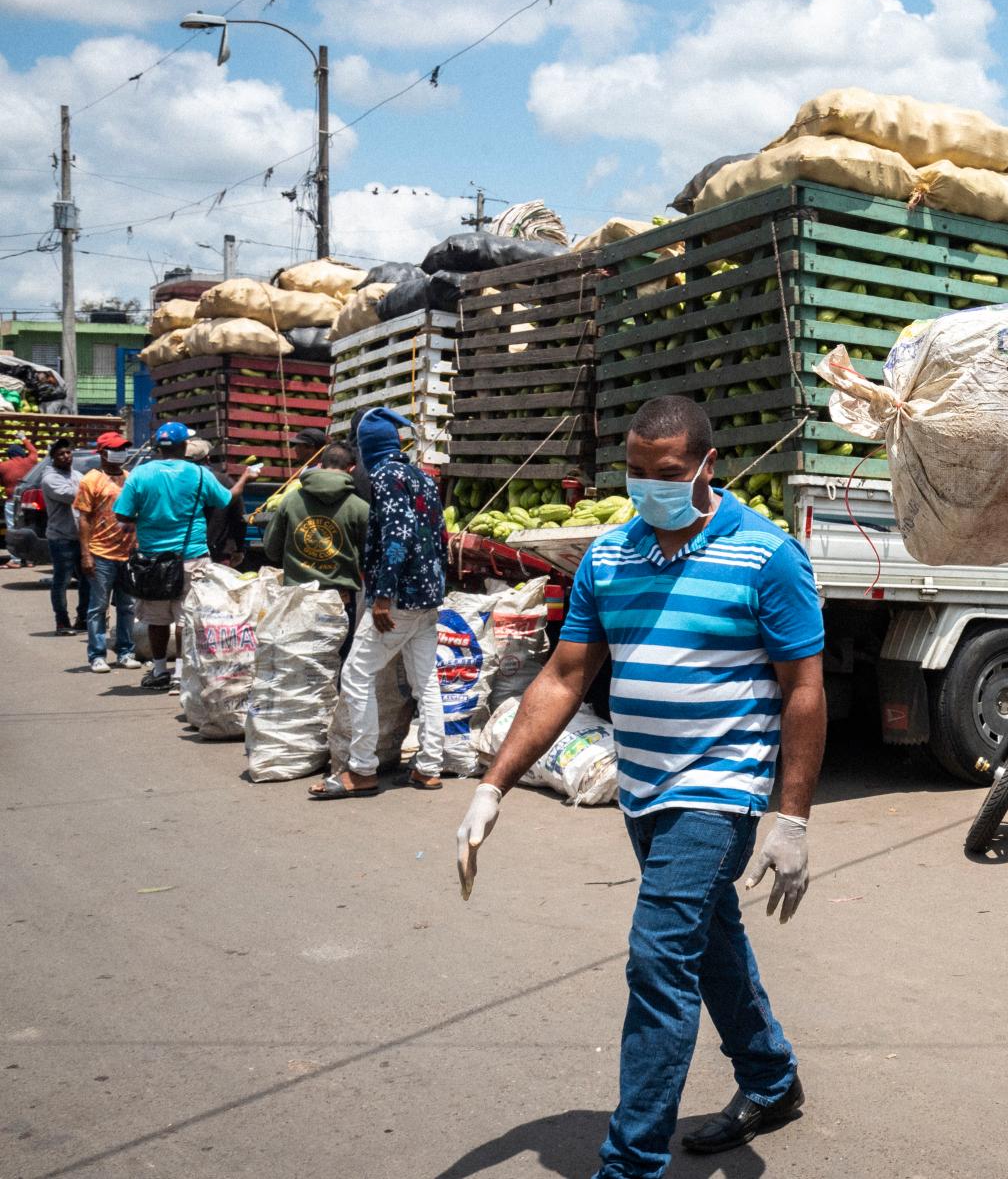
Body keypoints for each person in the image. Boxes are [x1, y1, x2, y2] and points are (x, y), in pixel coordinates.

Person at [457, 395, 827, 1179]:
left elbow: (803, 689)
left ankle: (631, 1163)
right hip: (644, 787)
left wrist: (790, 816)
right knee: (709, 936)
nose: (647, 487)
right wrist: (493, 784)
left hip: (719, 791)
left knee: (659, 957)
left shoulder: (768, 556)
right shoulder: (609, 557)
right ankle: (771, 1076)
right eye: (634, 471)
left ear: (705, 466)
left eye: (665, 474)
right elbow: (564, 676)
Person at [313, 407, 447, 800]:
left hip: (400, 599)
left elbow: (398, 534)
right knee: (427, 682)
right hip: (426, 598)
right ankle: (428, 767)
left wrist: (384, 595)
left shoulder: (385, 477)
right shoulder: (420, 476)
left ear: (366, 449)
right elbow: (438, 536)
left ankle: (362, 769)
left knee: (356, 675)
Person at [115, 422, 255, 690]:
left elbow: (122, 514)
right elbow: (226, 499)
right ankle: (180, 673)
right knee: (185, 618)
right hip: (192, 557)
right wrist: (245, 478)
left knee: (156, 619)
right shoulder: (199, 475)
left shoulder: (139, 474)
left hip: (151, 561)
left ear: (158, 447)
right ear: (182, 446)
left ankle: (158, 671)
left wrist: (147, 517)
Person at [263, 440, 368, 645]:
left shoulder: (291, 500)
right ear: (352, 469)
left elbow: (272, 550)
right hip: (340, 601)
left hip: (297, 599)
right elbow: (369, 557)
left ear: (320, 463)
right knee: (336, 662)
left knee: (298, 661)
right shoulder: (359, 507)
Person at [74, 433, 139, 673]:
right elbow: (83, 518)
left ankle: (125, 651)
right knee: (98, 607)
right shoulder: (91, 480)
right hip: (101, 553)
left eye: (124, 448)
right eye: (116, 448)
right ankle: (97, 655)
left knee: (127, 606)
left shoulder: (129, 478)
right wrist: (85, 554)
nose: (121, 452)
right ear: (102, 453)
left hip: (127, 554)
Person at [40, 438, 88, 636]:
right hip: (61, 539)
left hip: (82, 537)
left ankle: (83, 618)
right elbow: (73, 496)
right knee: (62, 581)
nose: (66, 456)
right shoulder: (50, 479)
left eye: (68, 452)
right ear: (53, 458)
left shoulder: (77, 475)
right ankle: (62, 621)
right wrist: (96, 487)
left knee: (87, 580)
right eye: (61, 454)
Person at [187, 439, 250, 567]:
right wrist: (239, 548)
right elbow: (239, 518)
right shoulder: (223, 481)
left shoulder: (177, 482)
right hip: (219, 551)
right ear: (208, 458)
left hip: (186, 553)